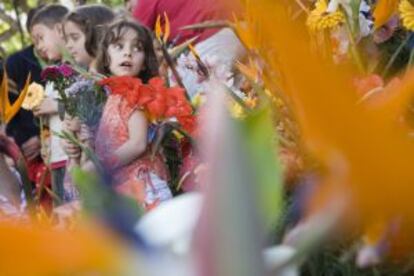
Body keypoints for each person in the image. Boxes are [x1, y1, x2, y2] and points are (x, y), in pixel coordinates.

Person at [89, 19, 172, 210]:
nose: (128, 52)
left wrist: (100, 166)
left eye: (137, 48)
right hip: (125, 187)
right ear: (106, 58)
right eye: (119, 46)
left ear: (143, 64)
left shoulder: (136, 94)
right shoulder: (114, 95)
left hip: (143, 189)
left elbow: (137, 143)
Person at [60, 4, 116, 202]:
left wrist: (83, 127)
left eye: (75, 38)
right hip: (80, 166)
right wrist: (68, 142)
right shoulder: (79, 82)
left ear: (97, 36)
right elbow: (69, 128)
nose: (68, 45)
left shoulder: (110, 82)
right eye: (67, 39)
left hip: (104, 170)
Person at [5, 6, 49, 194]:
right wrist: (27, 139)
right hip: (27, 146)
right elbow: (9, 111)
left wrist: (44, 139)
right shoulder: (16, 63)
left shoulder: (65, 63)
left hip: (56, 144)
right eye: (36, 36)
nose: (40, 43)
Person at [29, 4, 69, 206]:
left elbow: (87, 104)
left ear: (60, 29)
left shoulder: (75, 69)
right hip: (56, 159)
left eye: (40, 37)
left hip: (72, 158)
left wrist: (54, 106)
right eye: (34, 42)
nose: (38, 46)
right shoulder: (52, 74)